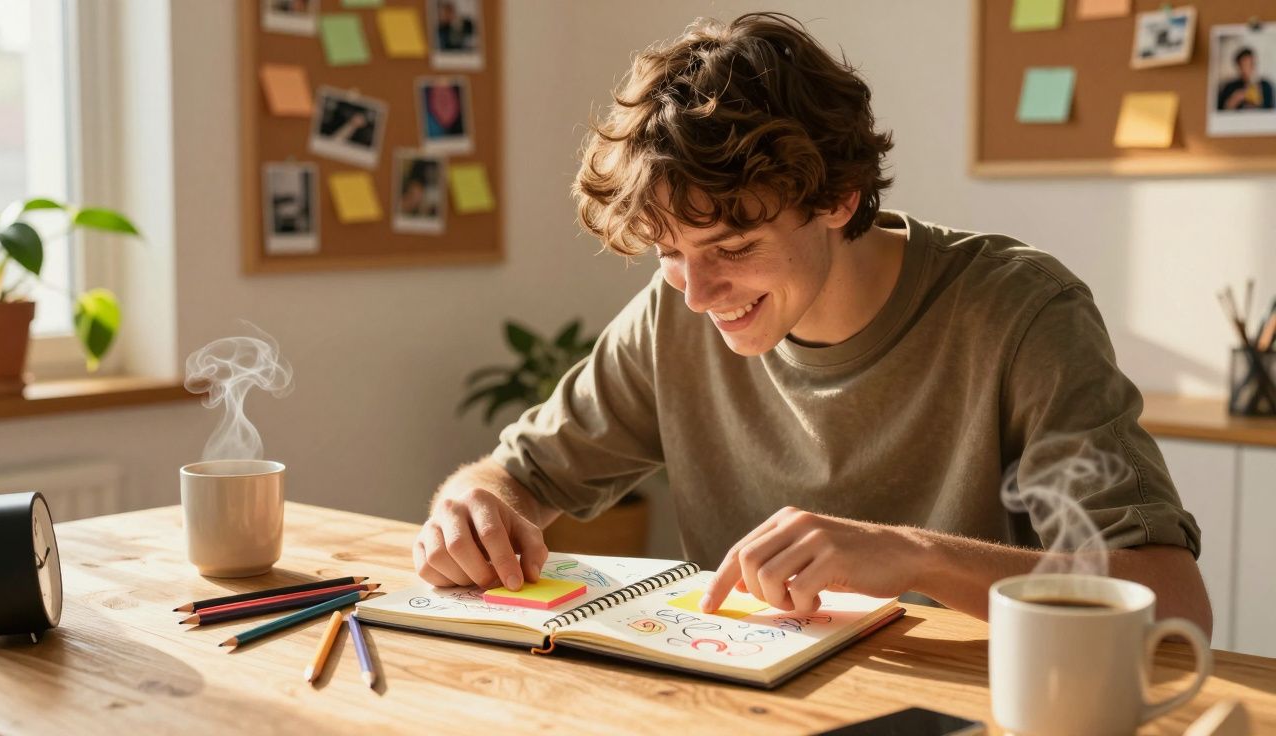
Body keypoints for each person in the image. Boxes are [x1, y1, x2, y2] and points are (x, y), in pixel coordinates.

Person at [413, 13, 1211, 633]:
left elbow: (1173, 604)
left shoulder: (1020, 311)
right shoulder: (675, 314)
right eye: (668, 252)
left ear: (839, 197)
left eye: (732, 245)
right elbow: (514, 477)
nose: (696, 292)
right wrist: (471, 507)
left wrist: (915, 555)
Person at [1218, 47, 1274, 111]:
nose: (1249, 69)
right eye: (1245, 65)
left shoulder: (1265, 86)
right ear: (1238, 66)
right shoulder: (1229, 87)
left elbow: (1270, 112)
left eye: (1251, 64)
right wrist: (1234, 100)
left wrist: (1259, 102)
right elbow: (1220, 113)